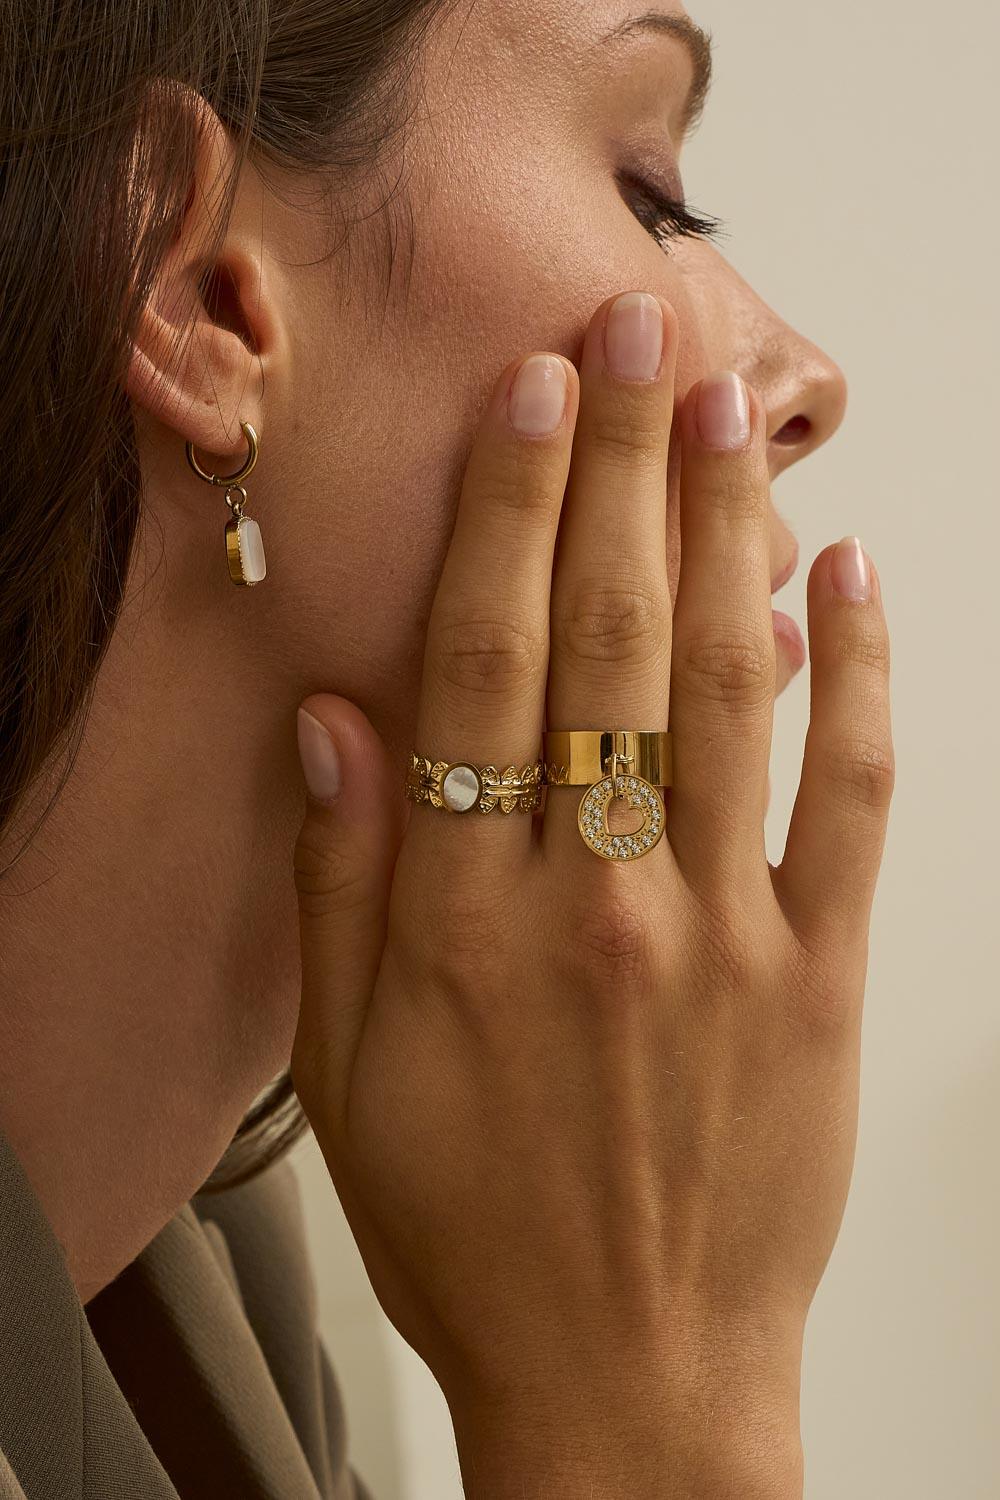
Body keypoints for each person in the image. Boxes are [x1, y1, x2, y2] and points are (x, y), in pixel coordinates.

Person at [0, 0, 894, 1496]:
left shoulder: (246, 1298)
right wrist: (646, 1405)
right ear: (194, 293)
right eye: (655, 198)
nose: (804, 378)